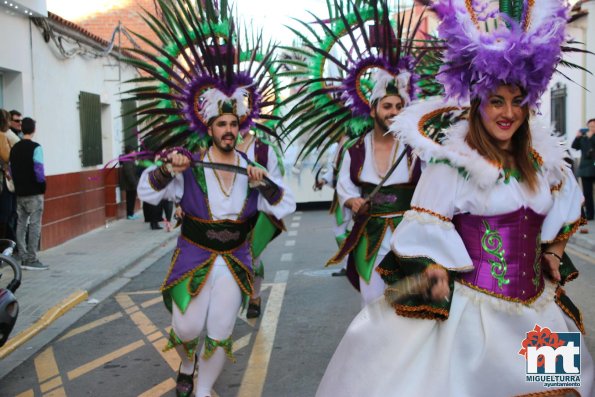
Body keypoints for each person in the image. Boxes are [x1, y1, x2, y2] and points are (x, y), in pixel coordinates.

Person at [316, 1, 594, 395]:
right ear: (478, 104)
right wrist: (433, 269)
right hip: (476, 321)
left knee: (560, 389)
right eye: (497, 101)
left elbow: (563, 218)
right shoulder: (453, 167)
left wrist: (551, 253)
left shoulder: (543, 164)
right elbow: (422, 232)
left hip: (540, 316)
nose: (508, 112)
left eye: (517, 101)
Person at [127, 2, 293, 396]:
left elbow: (286, 206)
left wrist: (264, 185)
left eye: (234, 123)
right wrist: (169, 169)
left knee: (221, 331)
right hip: (195, 253)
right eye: (222, 124)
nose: (229, 130)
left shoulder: (254, 166)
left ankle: (202, 391)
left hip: (235, 258)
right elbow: (146, 191)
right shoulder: (192, 164)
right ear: (209, 127)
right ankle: (187, 362)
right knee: (186, 327)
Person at [237, 132, 296, 318]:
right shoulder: (213, 145)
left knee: (253, 257)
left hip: (256, 212)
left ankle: (254, 297)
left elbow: (276, 180)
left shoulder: (263, 147)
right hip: (224, 214)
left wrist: (260, 179)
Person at [10, 117, 47, 271]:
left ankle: (23, 257)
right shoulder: (36, 147)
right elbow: (39, 170)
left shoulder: (15, 148)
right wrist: (42, 185)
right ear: (33, 130)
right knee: (34, 224)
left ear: (21, 128)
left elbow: (11, 170)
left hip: (20, 193)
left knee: (21, 224)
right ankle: (32, 258)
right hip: (34, 193)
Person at [571, 119, 595, 226]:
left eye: (594, 126)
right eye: (590, 126)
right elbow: (574, 146)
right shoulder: (583, 137)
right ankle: (590, 214)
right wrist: (577, 137)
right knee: (587, 193)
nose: (592, 128)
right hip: (585, 168)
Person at [119, 145, 140, 220]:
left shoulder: (130, 160)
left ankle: (131, 213)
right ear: (130, 152)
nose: (135, 152)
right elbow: (129, 173)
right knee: (130, 198)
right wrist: (134, 183)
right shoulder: (127, 161)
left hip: (131, 183)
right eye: (133, 151)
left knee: (131, 198)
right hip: (130, 184)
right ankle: (130, 214)